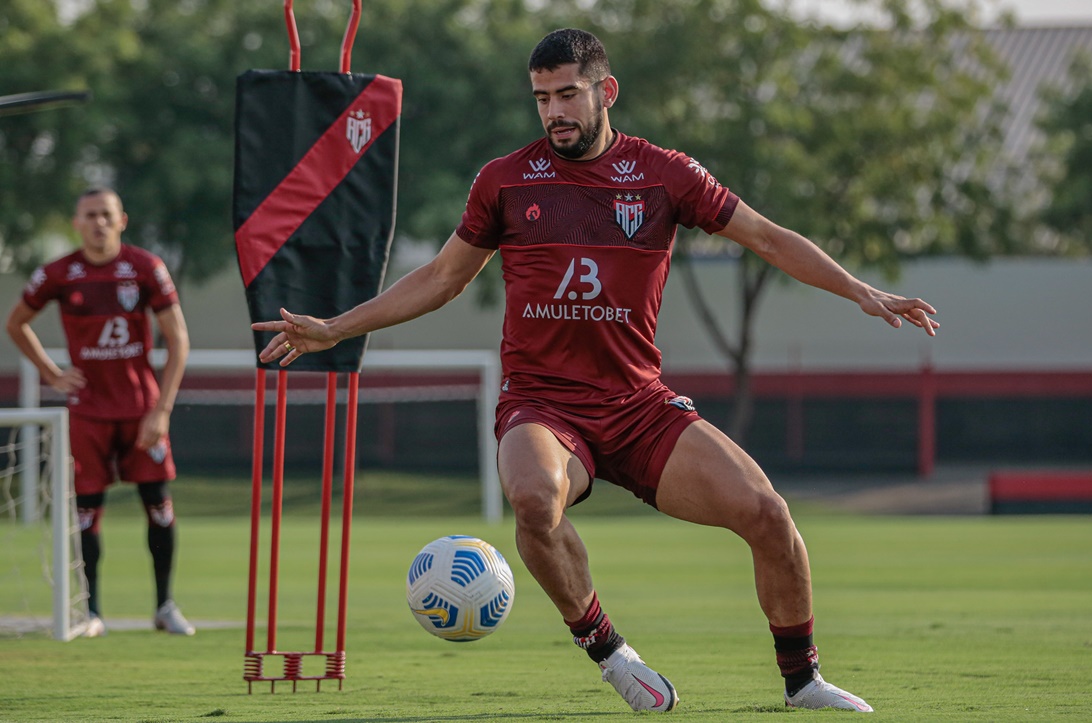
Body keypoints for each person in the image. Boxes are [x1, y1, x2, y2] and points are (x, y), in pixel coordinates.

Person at [253, 28, 939, 712]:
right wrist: (335, 328)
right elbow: (441, 278)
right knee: (533, 501)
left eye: (568, 95)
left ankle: (803, 682)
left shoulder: (666, 174)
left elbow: (765, 236)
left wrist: (859, 290)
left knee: (769, 515)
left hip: (639, 406)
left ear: (605, 91)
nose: (554, 112)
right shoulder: (504, 180)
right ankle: (612, 654)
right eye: (541, 98)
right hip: (542, 404)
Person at [6, 187, 195, 637]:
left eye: (107, 214)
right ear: (77, 223)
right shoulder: (59, 273)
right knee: (87, 511)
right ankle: (92, 613)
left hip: (141, 409)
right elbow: (16, 323)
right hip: (87, 412)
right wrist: (51, 373)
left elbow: (178, 339)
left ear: (122, 220)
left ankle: (165, 606)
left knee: (159, 506)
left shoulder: (146, 267)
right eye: (90, 215)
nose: (99, 223)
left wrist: (162, 410)